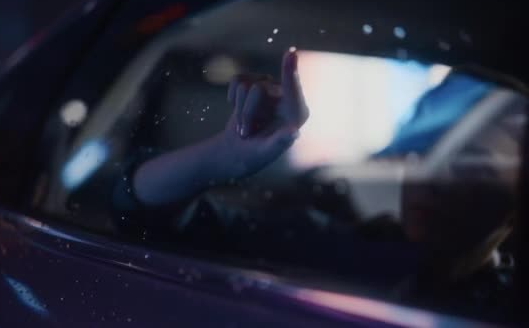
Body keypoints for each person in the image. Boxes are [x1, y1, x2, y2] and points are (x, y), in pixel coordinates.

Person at [109, 51, 518, 318]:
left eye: (473, 163)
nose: (431, 181)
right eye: (420, 153)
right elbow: (141, 213)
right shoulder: (342, 253)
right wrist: (219, 158)